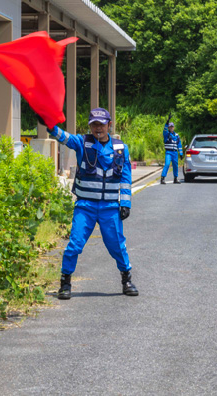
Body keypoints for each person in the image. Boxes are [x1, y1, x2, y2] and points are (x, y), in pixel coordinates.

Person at [47, 108, 138, 300]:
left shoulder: (120, 148)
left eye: (102, 124)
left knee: (117, 245)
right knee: (75, 244)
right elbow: (63, 137)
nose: (98, 128)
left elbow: (125, 177)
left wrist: (126, 203)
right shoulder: (82, 142)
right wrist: (50, 125)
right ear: (90, 126)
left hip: (110, 207)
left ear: (109, 125)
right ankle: (65, 283)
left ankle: (126, 279)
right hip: (85, 206)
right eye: (94, 124)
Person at [161, 114, 183, 184]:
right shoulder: (166, 134)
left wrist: (181, 153)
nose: (171, 128)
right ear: (168, 128)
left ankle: (175, 178)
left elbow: (179, 145)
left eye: (172, 127)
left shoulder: (177, 135)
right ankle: (163, 178)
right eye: (170, 127)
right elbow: (164, 130)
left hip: (175, 153)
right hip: (168, 152)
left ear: (173, 127)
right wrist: (167, 122)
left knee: (175, 165)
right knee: (167, 164)